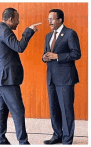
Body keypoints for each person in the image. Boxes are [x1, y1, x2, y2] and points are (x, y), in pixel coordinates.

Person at [0, 8, 41, 145]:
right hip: (8, 79)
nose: (18, 22)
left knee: (2, 110)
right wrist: (29, 31)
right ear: (10, 19)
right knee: (18, 111)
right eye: (17, 19)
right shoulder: (5, 31)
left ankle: (1, 140)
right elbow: (19, 47)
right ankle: (23, 142)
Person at [42, 9, 81, 144]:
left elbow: (76, 54)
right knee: (54, 108)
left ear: (60, 20)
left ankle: (67, 139)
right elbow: (45, 54)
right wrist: (44, 57)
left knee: (66, 109)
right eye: (48, 19)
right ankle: (57, 135)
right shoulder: (48, 36)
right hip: (51, 78)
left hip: (65, 78)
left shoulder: (70, 34)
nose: (49, 22)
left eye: (52, 19)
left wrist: (57, 56)